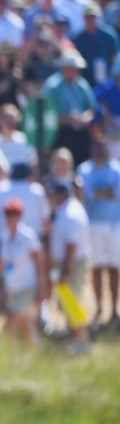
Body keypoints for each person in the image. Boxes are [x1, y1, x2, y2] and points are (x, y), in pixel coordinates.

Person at [75, 133, 120, 324]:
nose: (101, 150)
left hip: (114, 224)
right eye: (97, 146)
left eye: (104, 146)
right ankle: (99, 307)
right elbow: (88, 196)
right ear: (92, 149)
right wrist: (105, 192)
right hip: (92, 224)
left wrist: (101, 193)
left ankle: (114, 310)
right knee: (96, 268)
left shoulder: (117, 169)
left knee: (113, 267)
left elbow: (116, 194)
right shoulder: (84, 169)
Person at [0, 198, 45, 347]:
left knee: (12, 320)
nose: (11, 217)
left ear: (20, 216)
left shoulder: (28, 237)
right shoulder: (5, 237)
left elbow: (39, 264)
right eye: (8, 214)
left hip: (28, 287)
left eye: (15, 214)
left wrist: (42, 288)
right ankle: (34, 354)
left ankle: (7, 353)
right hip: (12, 288)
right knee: (26, 325)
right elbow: (1, 266)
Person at [48, 180, 93, 355]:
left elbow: (71, 245)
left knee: (72, 302)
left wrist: (66, 270)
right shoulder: (68, 208)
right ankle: (75, 338)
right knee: (68, 302)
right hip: (71, 262)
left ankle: (81, 341)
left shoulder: (70, 213)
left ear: (60, 194)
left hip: (72, 264)